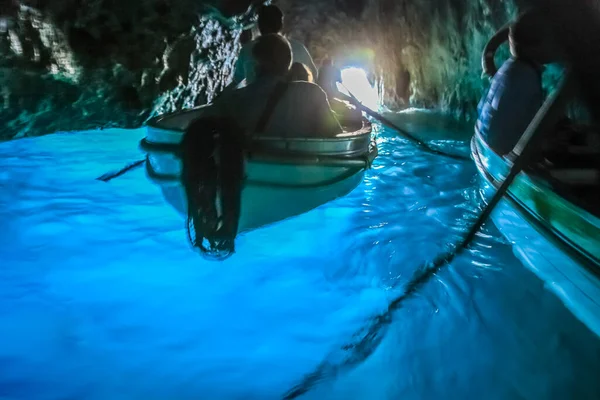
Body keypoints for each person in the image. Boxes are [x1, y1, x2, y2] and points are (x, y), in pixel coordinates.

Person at [210, 33, 342, 138]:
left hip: (251, 165)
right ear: (288, 63)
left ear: (256, 65)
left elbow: (200, 126)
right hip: (301, 166)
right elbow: (334, 135)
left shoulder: (234, 100)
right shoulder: (312, 93)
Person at [476, 9, 560, 156]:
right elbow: (531, 129)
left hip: (485, 142)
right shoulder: (526, 79)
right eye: (551, 41)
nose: (556, 46)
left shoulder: (509, 68)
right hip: (503, 153)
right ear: (534, 48)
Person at [228, 5, 317, 89]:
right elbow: (314, 75)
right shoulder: (299, 48)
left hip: (256, 102)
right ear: (281, 24)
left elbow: (238, 80)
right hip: (294, 101)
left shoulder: (247, 50)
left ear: (259, 25)